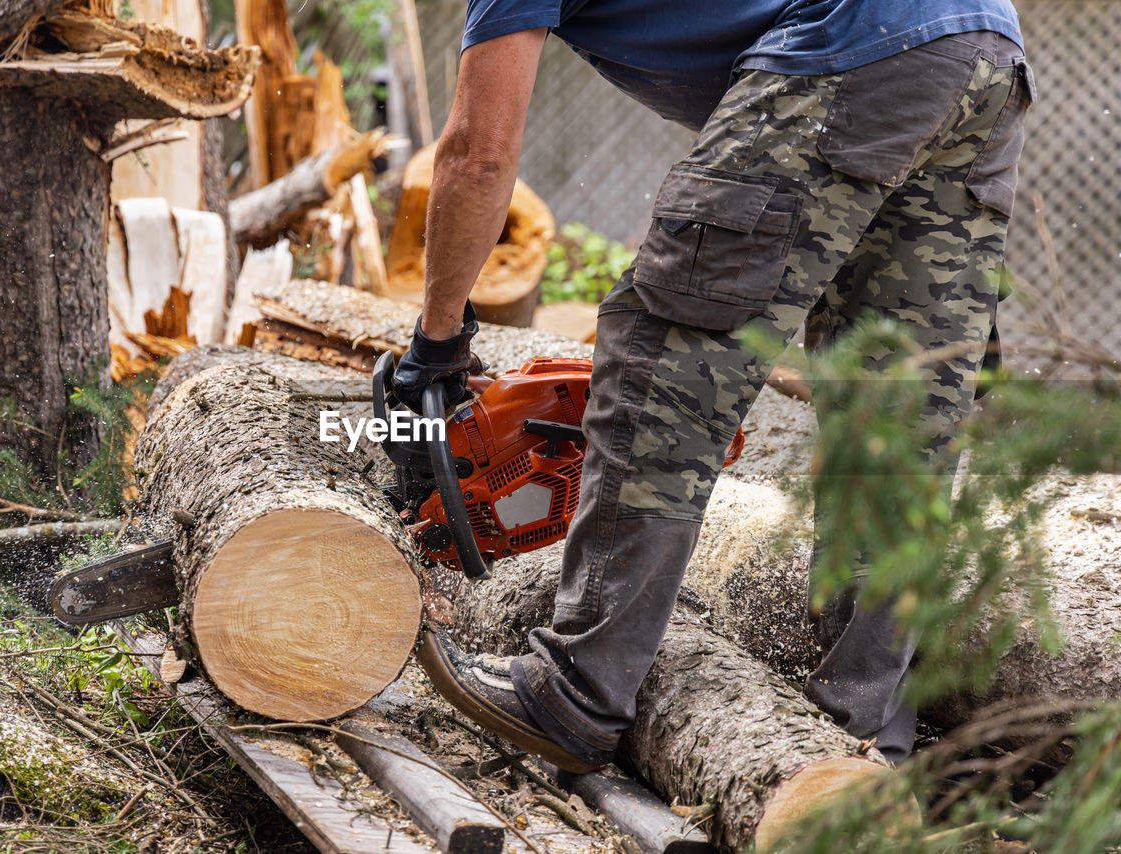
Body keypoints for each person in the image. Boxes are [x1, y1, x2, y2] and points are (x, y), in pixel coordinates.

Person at [391, 0, 1035, 772]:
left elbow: (478, 154)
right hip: (987, 47)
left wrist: (436, 343)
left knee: (665, 354)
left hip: (856, 41)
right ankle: (858, 740)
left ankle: (574, 689)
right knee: (897, 398)